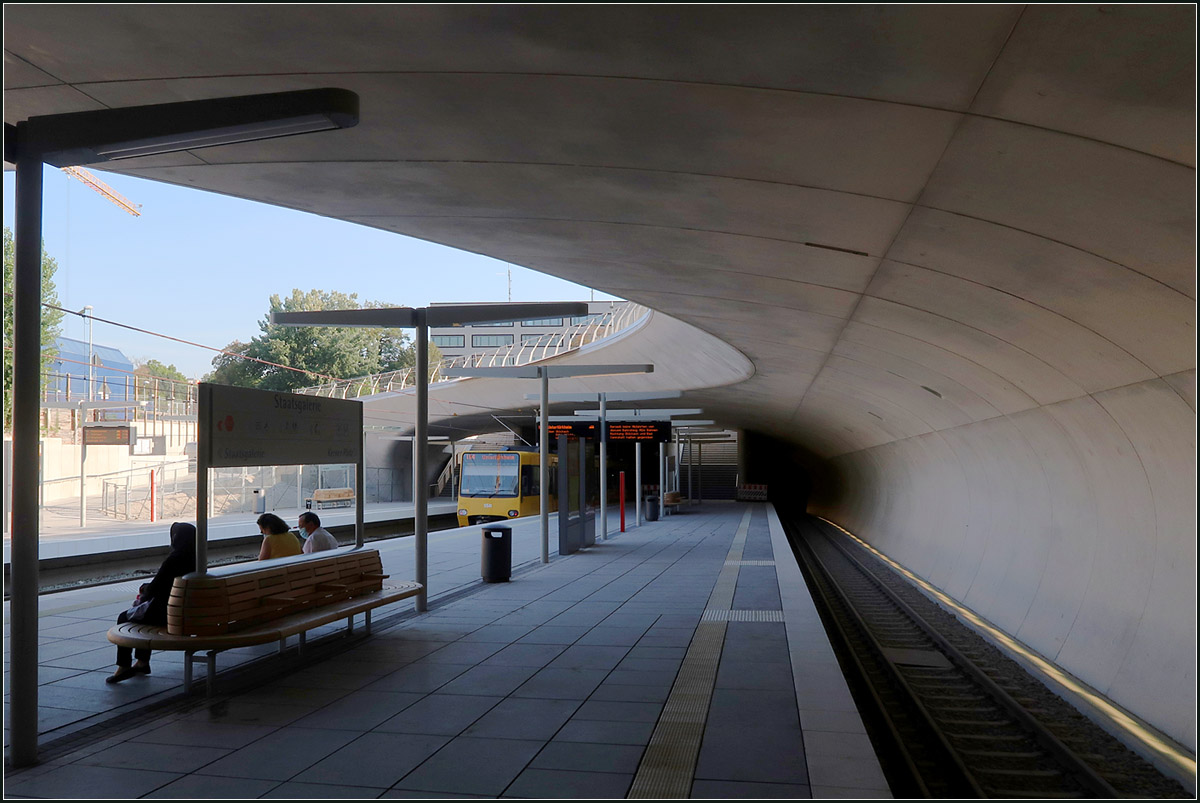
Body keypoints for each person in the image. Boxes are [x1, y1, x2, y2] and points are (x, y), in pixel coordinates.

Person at [107, 522, 196, 683]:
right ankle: (141, 662)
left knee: (123, 619)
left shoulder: (174, 559)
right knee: (142, 618)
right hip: (186, 613)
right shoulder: (196, 559)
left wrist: (144, 591)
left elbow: (155, 587)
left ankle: (124, 666)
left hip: (166, 614)